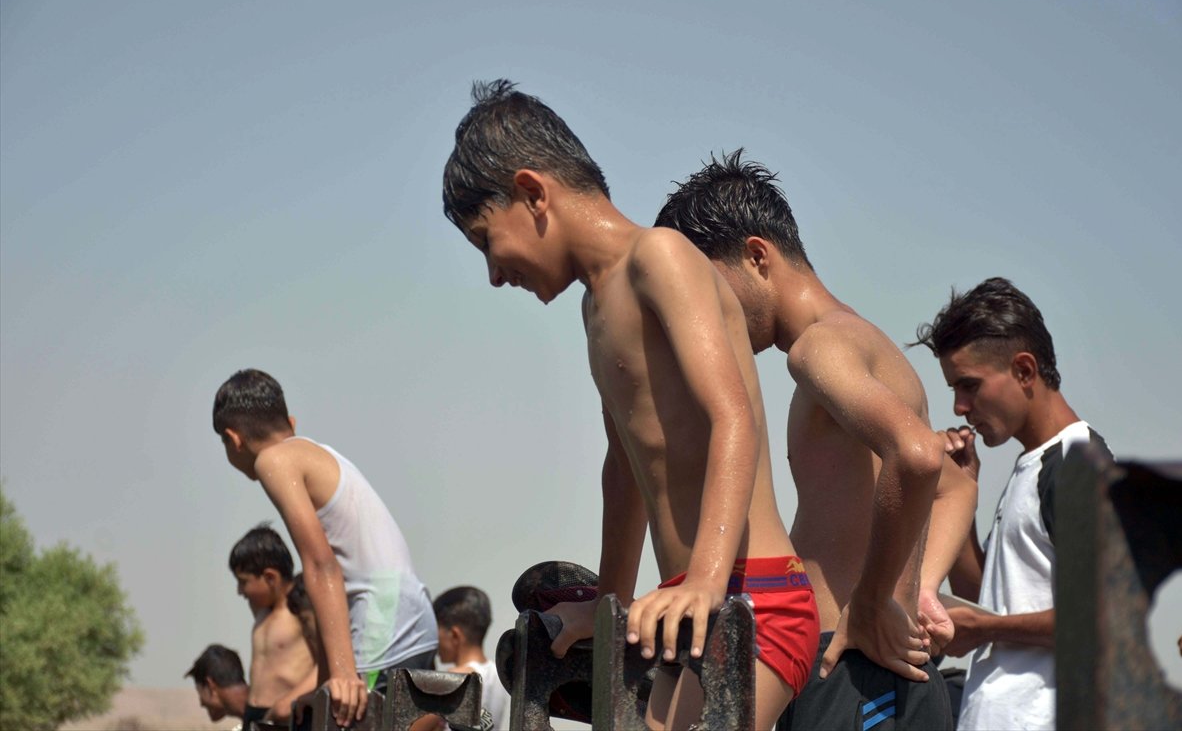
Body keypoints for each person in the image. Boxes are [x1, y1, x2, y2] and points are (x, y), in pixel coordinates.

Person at [443, 79, 819, 731]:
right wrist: (610, 607)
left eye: (485, 241)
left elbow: (732, 417)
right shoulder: (596, 306)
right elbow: (625, 470)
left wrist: (705, 579)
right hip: (690, 607)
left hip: (751, 598)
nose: (494, 274)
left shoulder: (661, 257)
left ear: (533, 195)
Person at [654, 151, 976, 730]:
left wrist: (876, 602)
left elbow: (920, 456)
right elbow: (954, 489)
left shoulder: (819, 349)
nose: (707, 315)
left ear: (757, 256)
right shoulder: (860, 341)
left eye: (712, 291)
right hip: (858, 670)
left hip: (858, 674)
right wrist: (919, 592)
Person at [914, 276, 1111, 731]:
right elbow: (985, 597)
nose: (960, 407)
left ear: (1024, 371)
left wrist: (983, 631)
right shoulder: (1033, 467)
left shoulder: (1077, 462)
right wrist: (962, 493)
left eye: (969, 386)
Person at [213, 369, 439, 727]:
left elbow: (321, 565)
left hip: (382, 619)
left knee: (349, 716)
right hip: (413, 614)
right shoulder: (321, 454)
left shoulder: (274, 460)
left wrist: (345, 674)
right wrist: (323, 684)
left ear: (233, 439)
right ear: (290, 422)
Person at [228, 524, 318, 726]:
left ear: (270, 578)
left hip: (287, 717)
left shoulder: (301, 611)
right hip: (254, 715)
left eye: (243, 582)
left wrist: (290, 701)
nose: (240, 591)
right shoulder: (261, 611)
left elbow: (324, 665)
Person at [433, 586, 510, 730]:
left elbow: (410, 727)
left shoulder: (453, 679)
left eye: (436, 633)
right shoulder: (499, 675)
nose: (434, 642)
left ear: (454, 635)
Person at [185, 644, 248, 723]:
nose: (202, 703)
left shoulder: (262, 721)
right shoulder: (257, 719)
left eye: (200, 693)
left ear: (210, 686)